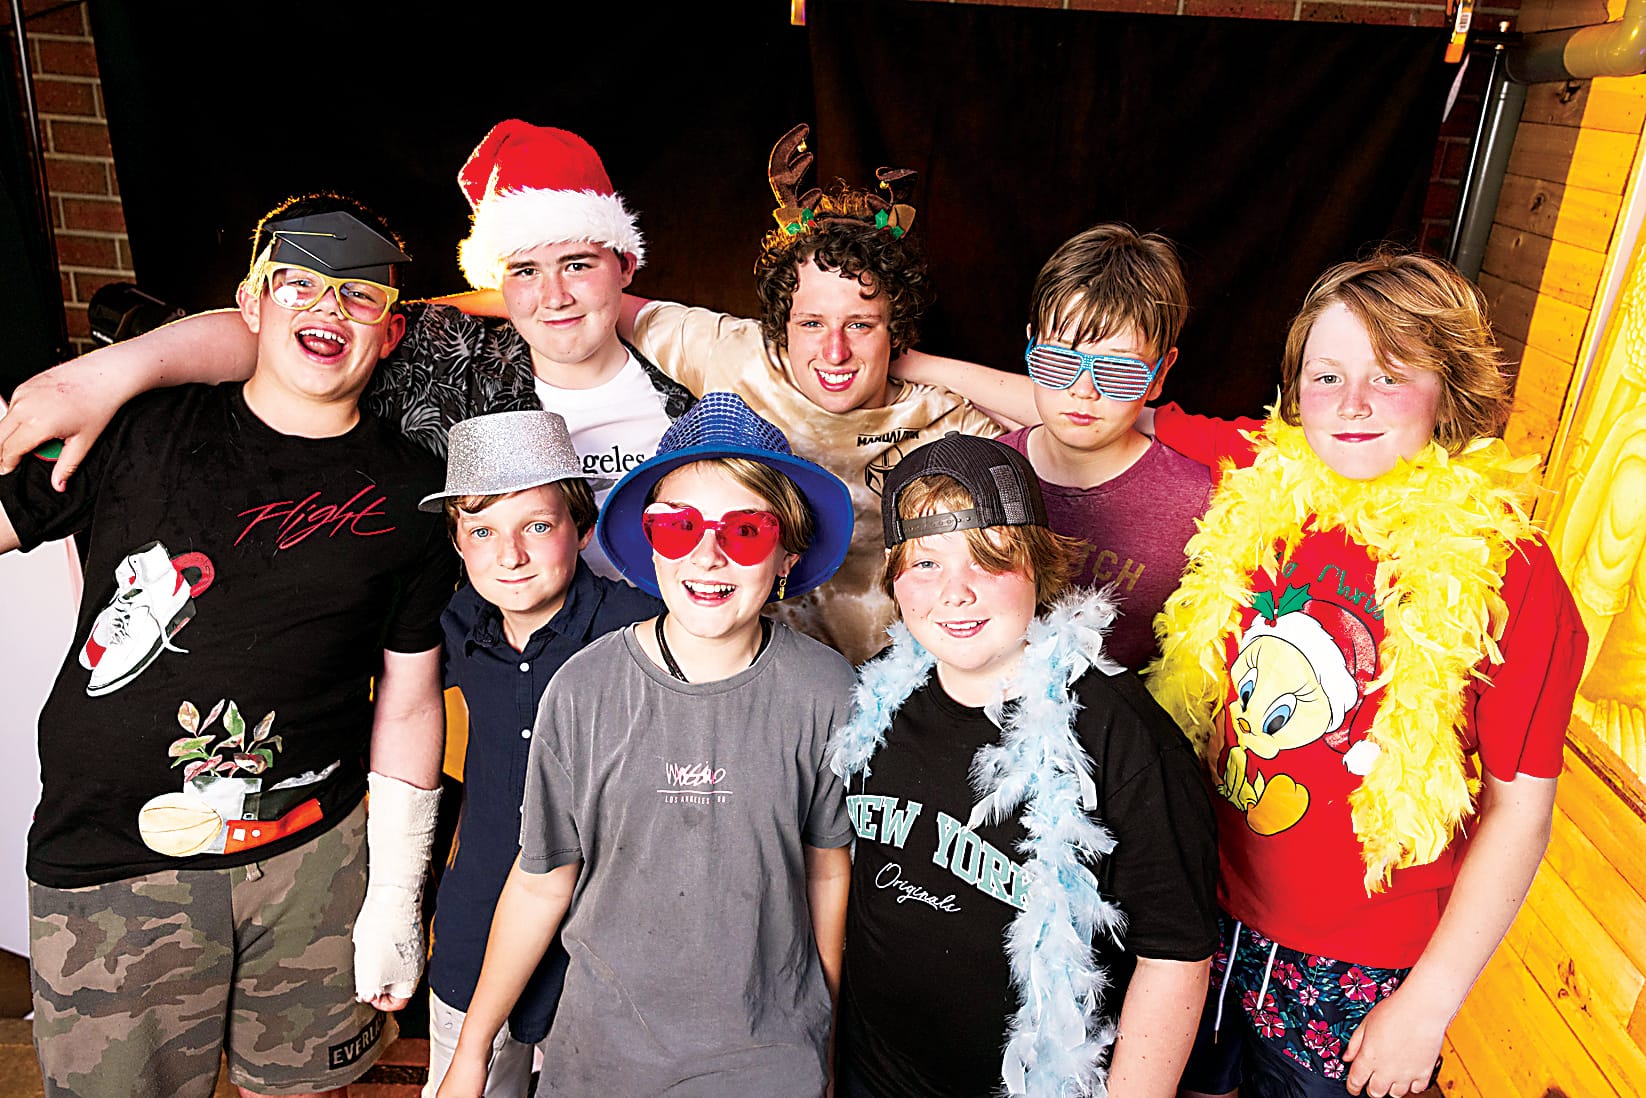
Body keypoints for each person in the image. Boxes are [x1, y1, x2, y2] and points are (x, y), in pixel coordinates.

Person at [0, 121, 1000, 661]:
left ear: (622, 268)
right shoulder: (445, 357)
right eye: (524, 272)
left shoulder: (686, 371)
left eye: (578, 265)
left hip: (684, 671)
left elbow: (837, 350)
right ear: (495, 284)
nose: (555, 295)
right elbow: (286, 333)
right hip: (487, 680)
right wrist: (112, 366)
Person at [0, 194, 456, 1097]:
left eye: (359, 296)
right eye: (299, 284)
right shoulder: (138, 431)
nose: (328, 311)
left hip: (313, 865)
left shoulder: (415, 493)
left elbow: (408, 699)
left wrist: (397, 895)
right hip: (113, 869)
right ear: (250, 308)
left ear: (391, 334)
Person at [1145, 251, 1586, 1098]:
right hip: (1205, 915)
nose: (1350, 404)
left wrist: (1428, 1005)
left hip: (1357, 970)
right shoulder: (1262, 477)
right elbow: (1115, 410)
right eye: (1326, 374)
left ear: (1447, 387)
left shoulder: (1513, 574)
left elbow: (1520, 814)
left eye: (1388, 376)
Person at [437, 392, 858, 1097]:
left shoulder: (827, 692)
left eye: (746, 531)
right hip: (601, 1060)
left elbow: (828, 873)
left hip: (768, 1062)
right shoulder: (582, 689)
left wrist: (828, 1037)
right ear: (651, 542)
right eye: (680, 527)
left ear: (787, 553)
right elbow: (540, 880)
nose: (709, 555)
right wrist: (471, 1049)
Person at [827, 433, 1218, 1097]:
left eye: (990, 557)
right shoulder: (870, 702)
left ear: (1039, 564)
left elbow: (1177, 953)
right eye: (925, 564)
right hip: (873, 1074)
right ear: (893, 579)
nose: (956, 593)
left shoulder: (1119, 732)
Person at [418, 410, 661, 1096]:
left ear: (581, 529)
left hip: (603, 932)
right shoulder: (453, 622)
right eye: (483, 531)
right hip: (477, 920)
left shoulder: (635, 627)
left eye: (538, 526)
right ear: (458, 544)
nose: (511, 555)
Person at [996, 222, 1210, 668]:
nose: (1084, 390)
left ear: (1160, 373)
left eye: (1119, 372)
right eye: (1058, 360)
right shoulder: (985, 474)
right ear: (1031, 344)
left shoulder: (1203, 503)